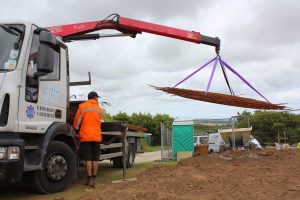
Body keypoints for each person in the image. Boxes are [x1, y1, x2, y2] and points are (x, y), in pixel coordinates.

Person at [73, 91, 103, 188]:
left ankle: (89, 180)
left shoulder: (82, 107)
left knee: (88, 159)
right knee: (95, 159)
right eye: (97, 97)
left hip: (86, 136)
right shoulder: (99, 108)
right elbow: (100, 121)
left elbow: (77, 121)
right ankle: (94, 180)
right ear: (94, 97)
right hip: (96, 136)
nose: (98, 99)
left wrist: (76, 129)